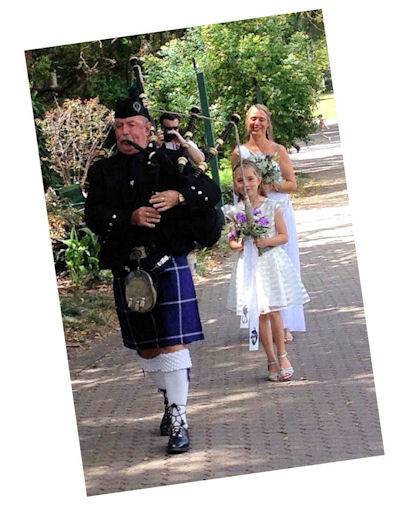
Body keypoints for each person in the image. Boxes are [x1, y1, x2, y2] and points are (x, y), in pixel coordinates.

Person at [85, 96, 222, 454]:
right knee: (147, 349)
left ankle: (179, 415)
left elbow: (210, 190)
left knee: (173, 340)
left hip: (168, 262)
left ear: (148, 129)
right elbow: (93, 215)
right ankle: (169, 398)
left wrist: (179, 195)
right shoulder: (103, 171)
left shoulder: (168, 160)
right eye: (119, 126)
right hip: (128, 268)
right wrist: (128, 217)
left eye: (132, 125)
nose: (125, 132)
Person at [225, 160, 310, 381]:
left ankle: (283, 355)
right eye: (240, 180)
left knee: (274, 311)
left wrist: (266, 241)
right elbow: (232, 243)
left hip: (270, 262)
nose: (246, 184)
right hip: (250, 265)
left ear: (259, 180)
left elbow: (284, 236)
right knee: (260, 312)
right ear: (235, 184)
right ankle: (270, 359)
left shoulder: (272, 206)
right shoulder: (235, 211)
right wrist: (242, 243)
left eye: (250, 179)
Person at [231, 104, 305, 342]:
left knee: (282, 265)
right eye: (253, 119)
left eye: (261, 119)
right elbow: (236, 185)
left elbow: (292, 183)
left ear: (268, 123)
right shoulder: (238, 152)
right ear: (246, 122)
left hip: (278, 210)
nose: (257, 123)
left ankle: (284, 324)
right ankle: (260, 317)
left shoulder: (278, 150)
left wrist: (270, 185)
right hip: (254, 211)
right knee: (258, 267)